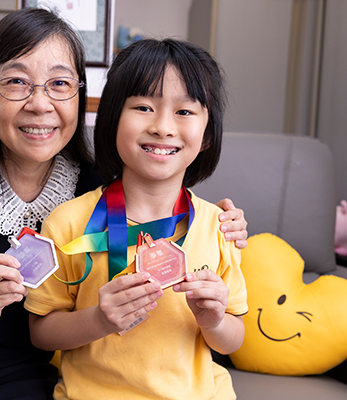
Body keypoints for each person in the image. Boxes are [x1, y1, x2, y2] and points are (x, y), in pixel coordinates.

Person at [0, 9, 248, 400]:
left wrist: (222, 223)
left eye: (59, 84)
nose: (40, 104)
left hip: (17, 374)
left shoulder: (97, 191)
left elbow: (162, 196)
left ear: (80, 96)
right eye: (17, 82)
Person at [25, 38, 247, 400]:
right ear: (112, 119)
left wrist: (215, 321)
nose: (162, 127)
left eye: (185, 111)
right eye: (143, 107)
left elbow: (233, 340)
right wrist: (99, 319)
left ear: (207, 134)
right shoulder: (66, 223)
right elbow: (41, 332)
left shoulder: (220, 226)